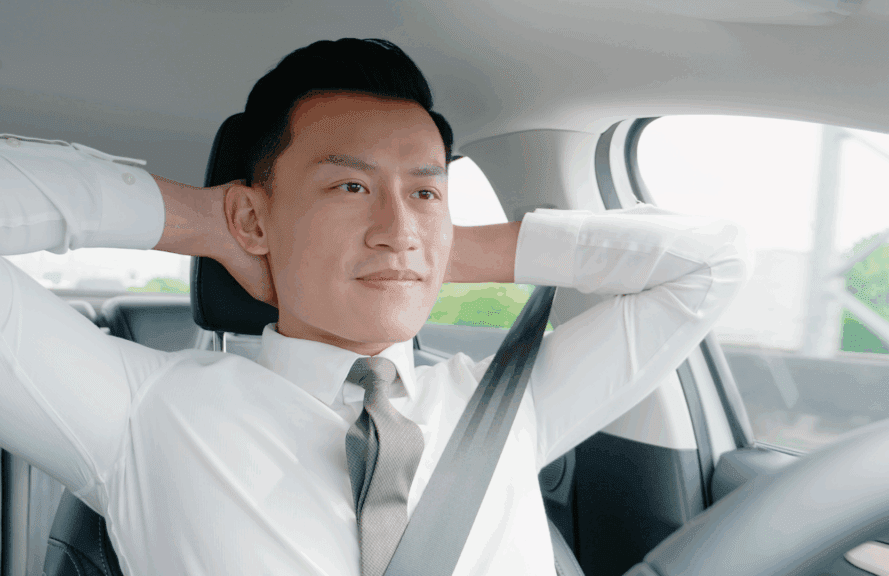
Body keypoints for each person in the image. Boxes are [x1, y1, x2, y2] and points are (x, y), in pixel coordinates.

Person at [0, 38, 749, 575]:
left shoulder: (508, 408)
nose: (396, 227)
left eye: (425, 191)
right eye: (350, 187)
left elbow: (711, 265)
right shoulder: (141, 414)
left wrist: (440, 245)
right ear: (256, 219)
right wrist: (204, 221)